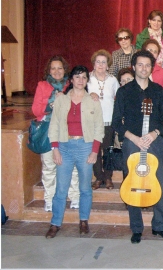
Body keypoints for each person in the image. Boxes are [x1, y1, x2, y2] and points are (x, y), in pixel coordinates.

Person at [112, 50, 163, 244]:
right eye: (140, 65)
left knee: (161, 185)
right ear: (134, 66)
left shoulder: (158, 91)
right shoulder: (124, 91)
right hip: (132, 142)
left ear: (152, 68)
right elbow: (116, 122)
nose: (144, 68)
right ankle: (137, 228)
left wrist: (154, 133)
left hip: (154, 141)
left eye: (147, 65)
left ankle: (159, 226)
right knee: (133, 184)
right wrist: (134, 138)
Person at [45, 65, 104, 239]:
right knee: (61, 189)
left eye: (84, 77)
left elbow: (99, 128)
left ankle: (84, 220)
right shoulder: (61, 99)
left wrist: (94, 151)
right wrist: (55, 149)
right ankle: (55, 223)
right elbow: (54, 125)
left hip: (85, 147)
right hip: (65, 146)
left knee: (85, 188)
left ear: (87, 81)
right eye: (77, 77)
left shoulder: (93, 100)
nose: (80, 80)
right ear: (71, 80)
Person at [32, 56, 80, 212]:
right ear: (49, 70)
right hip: (48, 131)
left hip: (69, 131)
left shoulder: (71, 84)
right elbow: (35, 110)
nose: (57, 71)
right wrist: (50, 104)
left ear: (65, 69)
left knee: (72, 166)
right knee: (49, 166)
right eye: (53, 68)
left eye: (60, 68)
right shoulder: (42, 85)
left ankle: (75, 197)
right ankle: (49, 199)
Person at [87, 50, 120, 190]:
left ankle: (107, 177)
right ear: (94, 64)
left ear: (108, 65)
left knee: (107, 151)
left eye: (103, 62)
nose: (100, 65)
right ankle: (98, 178)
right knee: (94, 151)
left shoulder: (113, 80)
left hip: (108, 121)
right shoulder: (87, 79)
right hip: (92, 122)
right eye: (98, 62)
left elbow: (118, 98)